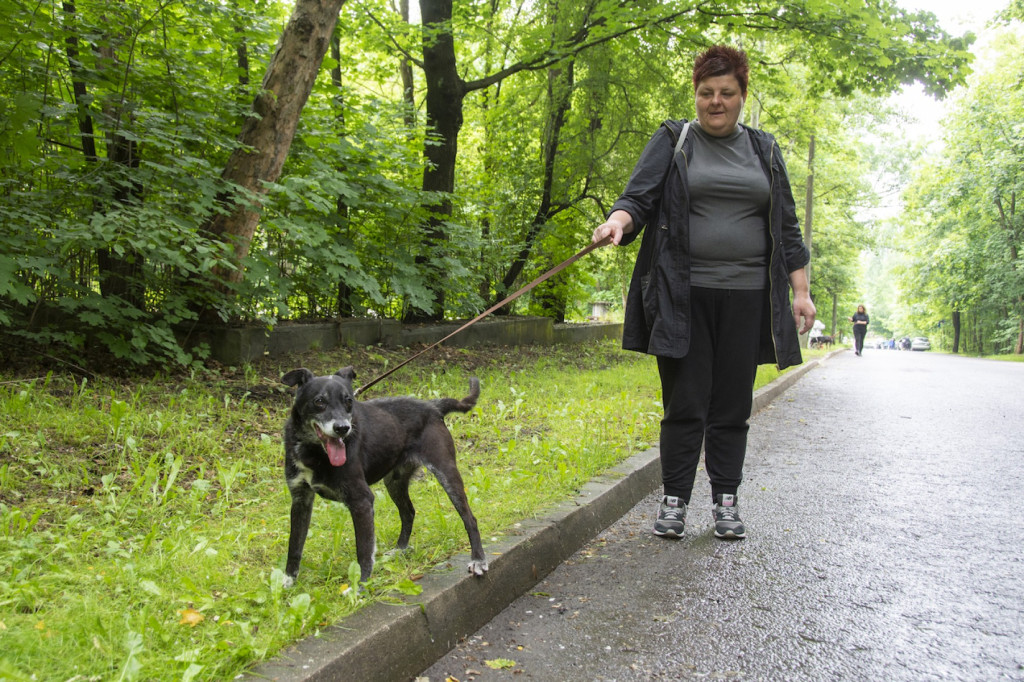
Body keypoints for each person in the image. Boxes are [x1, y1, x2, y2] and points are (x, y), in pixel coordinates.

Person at [591, 45, 815, 541]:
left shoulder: (765, 149)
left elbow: (787, 226)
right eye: (706, 92)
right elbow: (638, 197)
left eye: (726, 93)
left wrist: (800, 291)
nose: (716, 102)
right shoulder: (675, 139)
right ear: (695, 95)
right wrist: (617, 223)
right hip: (682, 295)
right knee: (685, 402)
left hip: (748, 297)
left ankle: (726, 501)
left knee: (732, 405)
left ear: (742, 96)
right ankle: (674, 500)